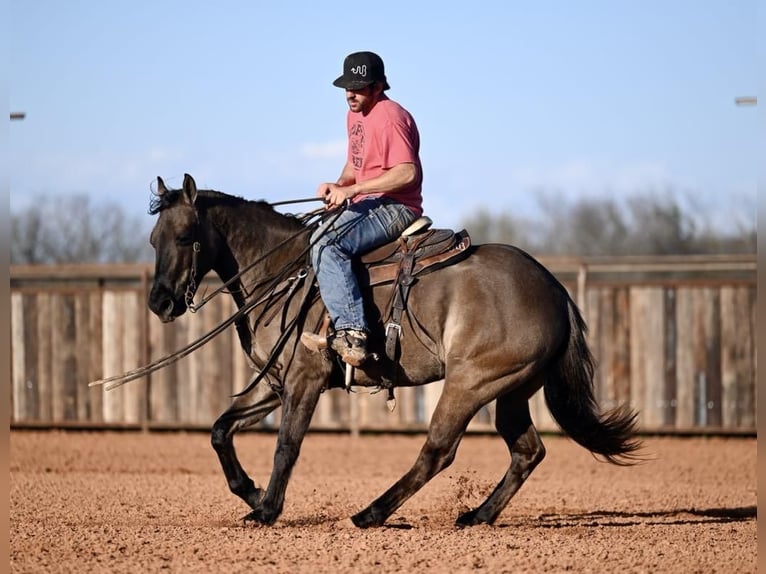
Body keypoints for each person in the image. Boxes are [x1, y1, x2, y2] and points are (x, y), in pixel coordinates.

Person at [301, 51, 423, 366]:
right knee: (314, 236)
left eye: (358, 87)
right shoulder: (353, 115)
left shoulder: (391, 116)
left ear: (378, 86)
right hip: (368, 200)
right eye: (346, 87)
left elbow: (407, 172)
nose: (350, 94)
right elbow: (358, 161)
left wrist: (352, 190)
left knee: (328, 245)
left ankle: (354, 332)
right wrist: (339, 184)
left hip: (397, 206)